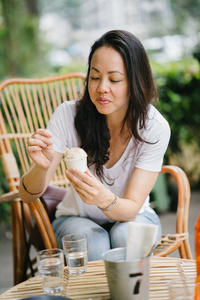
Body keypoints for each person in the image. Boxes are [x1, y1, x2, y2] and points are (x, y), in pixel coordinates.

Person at [19, 29, 170, 260]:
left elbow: (130, 208)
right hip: (76, 219)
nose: (102, 88)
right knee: (95, 242)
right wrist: (40, 167)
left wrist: (102, 198)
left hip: (134, 216)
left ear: (135, 81)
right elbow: (28, 196)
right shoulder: (68, 115)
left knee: (125, 238)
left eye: (115, 79)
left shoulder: (153, 127)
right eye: (95, 77)